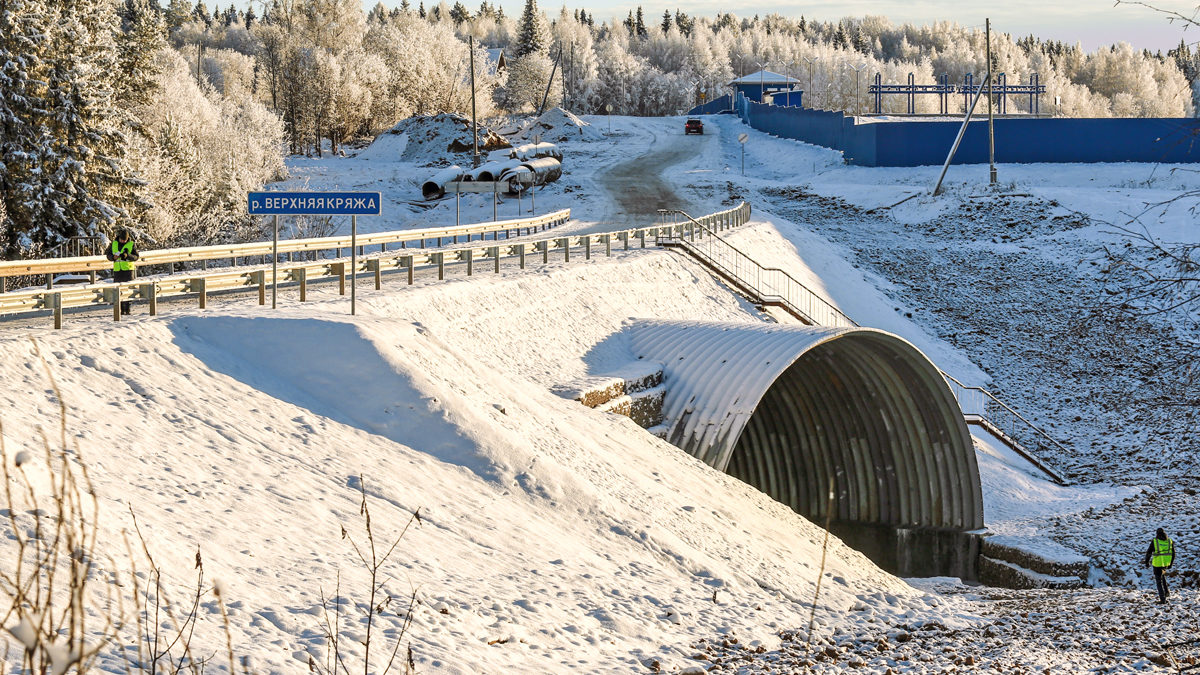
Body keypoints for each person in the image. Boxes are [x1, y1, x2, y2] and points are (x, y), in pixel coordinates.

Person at [106, 228, 139, 315]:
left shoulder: (131, 244)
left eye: (124, 240)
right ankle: (120, 310)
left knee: (127, 290)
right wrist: (113, 257)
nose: (123, 241)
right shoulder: (114, 244)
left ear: (127, 239)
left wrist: (127, 255)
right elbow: (108, 255)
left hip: (128, 270)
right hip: (118, 271)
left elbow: (136, 257)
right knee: (118, 291)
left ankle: (127, 310)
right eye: (122, 239)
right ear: (119, 238)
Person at [1143, 527, 1175, 604]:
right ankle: (1167, 592)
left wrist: (1147, 563)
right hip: (1165, 563)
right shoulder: (1169, 541)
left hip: (1157, 563)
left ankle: (1162, 599)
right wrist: (1171, 563)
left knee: (1159, 581)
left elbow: (1149, 553)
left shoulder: (1155, 541)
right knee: (1162, 576)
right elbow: (1173, 553)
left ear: (1157, 534)